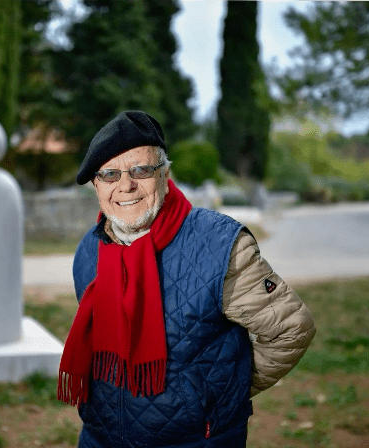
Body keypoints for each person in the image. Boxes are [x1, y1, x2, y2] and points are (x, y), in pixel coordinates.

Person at [58, 110, 316, 448]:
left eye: (141, 170)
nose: (125, 185)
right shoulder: (90, 250)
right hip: (99, 438)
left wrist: (216, 396)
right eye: (109, 174)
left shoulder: (219, 244)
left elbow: (291, 329)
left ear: (164, 175)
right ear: (97, 185)